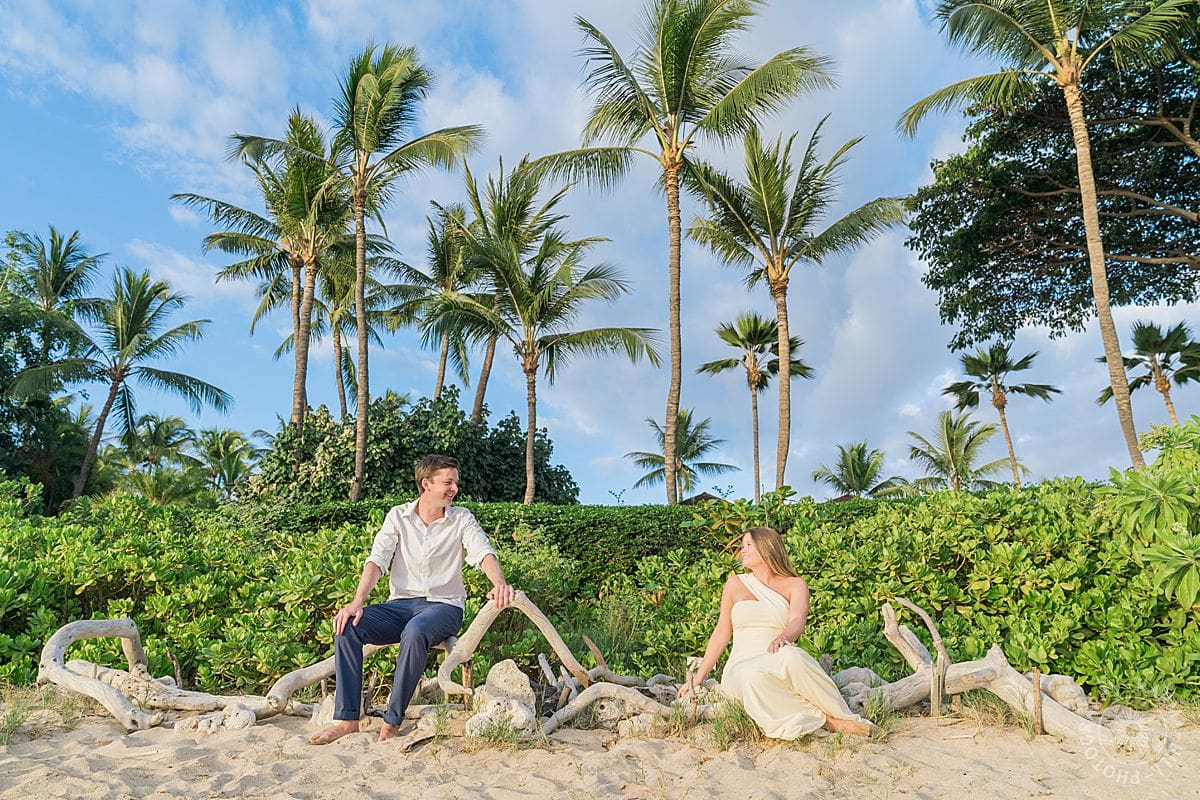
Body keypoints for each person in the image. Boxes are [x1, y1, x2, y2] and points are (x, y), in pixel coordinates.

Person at [309, 454, 516, 745]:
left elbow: (483, 552)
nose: (455, 488)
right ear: (426, 484)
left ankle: (392, 722)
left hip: (444, 607)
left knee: (416, 630)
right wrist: (356, 603)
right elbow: (377, 561)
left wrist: (500, 584)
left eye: (455, 482)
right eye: (448, 482)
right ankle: (348, 721)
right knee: (348, 626)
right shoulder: (398, 516)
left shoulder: (461, 518)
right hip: (400, 605)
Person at [677, 526, 877, 739]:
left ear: (767, 548)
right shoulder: (735, 584)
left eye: (748, 545)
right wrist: (698, 678)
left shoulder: (795, 585)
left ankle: (841, 714)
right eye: (742, 546)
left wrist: (783, 637)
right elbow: (721, 633)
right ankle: (830, 722)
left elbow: (797, 620)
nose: (742, 550)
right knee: (753, 674)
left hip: (776, 654)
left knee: (794, 655)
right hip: (741, 666)